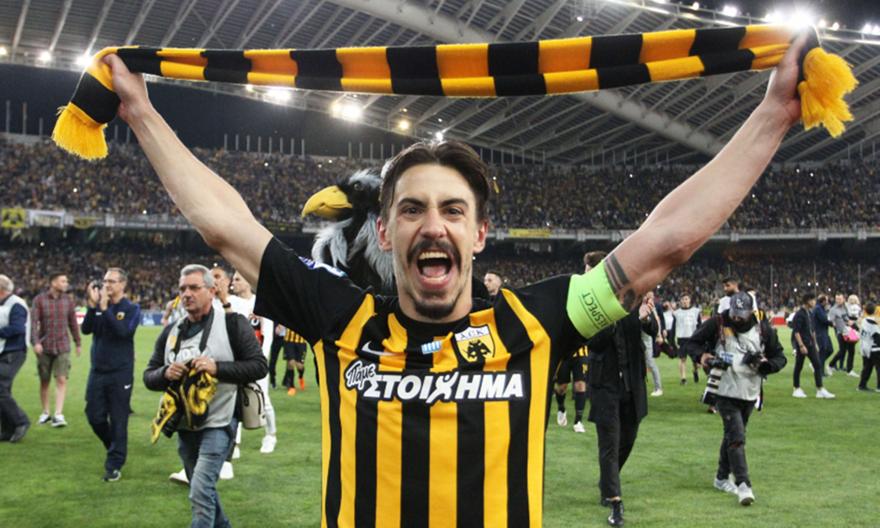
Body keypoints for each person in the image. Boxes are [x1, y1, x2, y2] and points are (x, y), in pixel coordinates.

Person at [103, 33, 809, 524]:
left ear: (478, 235)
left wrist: (775, 114)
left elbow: (665, 244)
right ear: (385, 233)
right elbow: (226, 227)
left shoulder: (533, 324)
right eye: (411, 209)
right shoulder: (339, 317)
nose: (431, 224)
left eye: (452, 209)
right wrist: (141, 111)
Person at [144, 265, 268, 528]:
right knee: (203, 489)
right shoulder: (171, 331)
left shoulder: (234, 324)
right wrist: (166, 373)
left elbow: (259, 366)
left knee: (200, 489)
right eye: (182, 289)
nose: (187, 294)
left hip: (221, 421)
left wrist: (217, 368)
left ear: (212, 291)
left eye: (194, 288)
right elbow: (148, 376)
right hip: (184, 424)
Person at [684, 291, 786, 506]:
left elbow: (780, 356)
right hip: (724, 390)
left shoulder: (763, 328)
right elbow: (692, 344)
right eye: (734, 312)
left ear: (751, 311)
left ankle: (721, 478)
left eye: (742, 313)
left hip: (750, 392)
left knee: (732, 435)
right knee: (737, 437)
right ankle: (743, 485)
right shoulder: (717, 323)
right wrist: (702, 357)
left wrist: (768, 365)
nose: (737, 318)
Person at [587, 294, 657, 526]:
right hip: (604, 386)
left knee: (628, 438)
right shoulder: (595, 308)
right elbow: (593, 343)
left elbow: (654, 330)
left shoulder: (636, 302)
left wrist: (645, 318)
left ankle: (607, 482)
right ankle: (614, 501)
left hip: (632, 384)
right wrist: (611, 319)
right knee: (609, 442)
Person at [81, 268, 141, 481]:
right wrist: (92, 306)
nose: (107, 285)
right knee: (94, 416)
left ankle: (114, 465)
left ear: (123, 284)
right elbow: (86, 329)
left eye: (112, 281)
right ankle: (114, 446)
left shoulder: (132, 309)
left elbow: (124, 332)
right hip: (97, 371)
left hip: (120, 373)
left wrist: (105, 309)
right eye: (105, 281)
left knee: (118, 419)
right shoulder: (99, 306)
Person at [228, 270, 277, 455]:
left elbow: (267, 335)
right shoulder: (230, 302)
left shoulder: (261, 303)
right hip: (236, 360)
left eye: (237, 279)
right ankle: (235, 443)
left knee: (263, 400)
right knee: (235, 401)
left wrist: (260, 360)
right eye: (233, 279)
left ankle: (270, 435)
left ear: (248, 281)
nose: (233, 282)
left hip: (256, 361)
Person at [554, 251, 603, 433]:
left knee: (580, 384)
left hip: (581, 348)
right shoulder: (574, 286)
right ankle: (561, 408)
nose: (587, 271)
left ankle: (578, 421)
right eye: (587, 268)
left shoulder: (597, 291)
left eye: (590, 268)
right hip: (565, 346)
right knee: (561, 386)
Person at [30, 272, 82, 427]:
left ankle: (58, 414)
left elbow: (73, 323)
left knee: (61, 379)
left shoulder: (68, 301)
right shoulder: (39, 300)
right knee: (44, 381)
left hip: (62, 346)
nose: (66, 283)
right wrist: (36, 342)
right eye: (63, 281)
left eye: (66, 281)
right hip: (44, 347)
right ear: (53, 282)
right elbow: (33, 323)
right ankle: (45, 412)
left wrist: (78, 342)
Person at [0, 275, 30, 443]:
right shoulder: (6, 303)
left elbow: (18, 328)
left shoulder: (16, 304)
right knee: (4, 390)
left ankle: (21, 421)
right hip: (5, 351)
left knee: (0, 388)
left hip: (13, 351)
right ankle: (7, 430)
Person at [791, 293, 835, 399]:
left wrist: (815, 344)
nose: (814, 302)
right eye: (813, 300)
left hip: (810, 344)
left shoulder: (810, 313)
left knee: (817, 364)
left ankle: (820, 389)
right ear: (808, 301)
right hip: (803, 344)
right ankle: (796, 388)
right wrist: (801, 345)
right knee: (799, 366)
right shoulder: (800, 314)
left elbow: (812, 330)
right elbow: (796, 331)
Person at [673, 294, 702, 385]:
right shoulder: (677, 313)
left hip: (693, 338)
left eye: (686, 299)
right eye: (683, 299)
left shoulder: (696, 311)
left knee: (696, 361)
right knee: (682, 359)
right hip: (682, 338)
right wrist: (672, 340)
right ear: (680, 301)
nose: (685, 301)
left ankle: (695, 371)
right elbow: (674, 327)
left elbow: (700, 326)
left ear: (689, 300)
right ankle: (683, 379)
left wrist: (701, 338)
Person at [642, 291, 663, 397]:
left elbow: (657, 320)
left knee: (650, 362)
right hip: (637, 337)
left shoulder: (649, 305)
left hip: (646, 337)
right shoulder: (635, 304)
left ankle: (658, 388)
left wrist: (659, 334)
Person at [858, 302, 880, 392]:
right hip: (874, 348)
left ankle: (862, 385)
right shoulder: (873, 324)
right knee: (878, 368)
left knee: (867, 367)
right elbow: (877, 338)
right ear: (875, 311)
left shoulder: (864, 321)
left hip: (865, 347)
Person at [281, 326, 309, 396]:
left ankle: (300, 377)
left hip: (301, 342)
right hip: (289, 341)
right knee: (291, 363)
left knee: (300, 366)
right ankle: (291, 386)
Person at [828, 293, 851, 372]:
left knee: (844, 350)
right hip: (839, 332)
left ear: (843, 299)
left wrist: (848, 321)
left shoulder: (845, 307)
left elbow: (846, 317)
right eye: (837, 299)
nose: (838, 301)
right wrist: (834, 323)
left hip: (847, 331)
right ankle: (832, 364)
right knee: (842, 350)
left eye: (840, 299)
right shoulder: (833, 309)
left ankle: (840, 366)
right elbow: (830, 320)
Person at [813, 294, 835, 377]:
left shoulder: (821, 308)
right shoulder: (818, 309)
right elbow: (824, 320)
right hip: (820, 333)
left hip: (824, 332)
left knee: (830, 350)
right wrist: (832, 323)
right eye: (826, 300)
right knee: (823, 352)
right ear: (823, 301)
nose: (828, 302)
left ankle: (817, 364)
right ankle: (820, 372)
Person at [844, 295, 863, 377]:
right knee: (851, 350)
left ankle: (847, 368)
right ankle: (849, 369)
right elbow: (858, 318)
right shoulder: (856, 307)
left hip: (847, 329)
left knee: (848, 350)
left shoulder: (846, 307)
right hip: (852, 329)